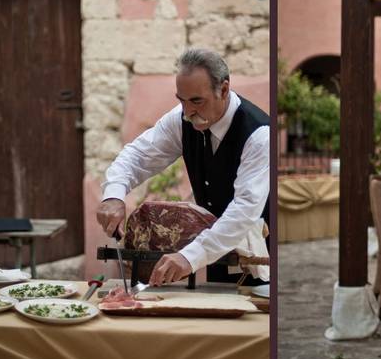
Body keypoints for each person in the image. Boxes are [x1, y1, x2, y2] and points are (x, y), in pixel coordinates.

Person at [96, 48, 269, 286]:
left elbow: (245, 209)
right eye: (182, 100)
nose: (188, 111)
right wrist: (114, 195)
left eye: (197, 101)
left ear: (224, 90)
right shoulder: (182, 119)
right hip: (216, 256)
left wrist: (189, 256)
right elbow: (138, 155)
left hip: (263, 259)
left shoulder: (259, 135)